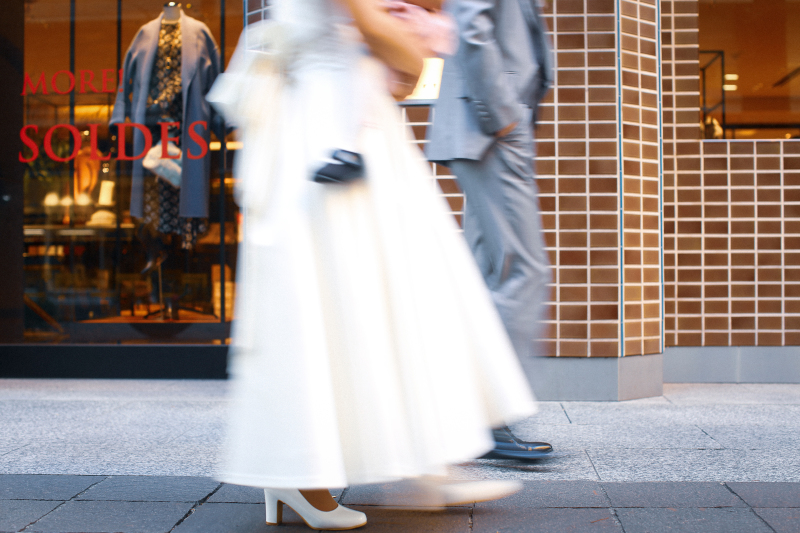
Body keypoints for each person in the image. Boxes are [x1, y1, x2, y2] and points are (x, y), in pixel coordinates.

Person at [207, 0, 538, 529]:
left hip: (329, 118)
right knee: (370, 289)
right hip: (336, 129)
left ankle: (412, 464)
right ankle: (308, 473)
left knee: (380, 288)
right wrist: (421, 37)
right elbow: (381, 35)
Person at [426, 0, 555, 461]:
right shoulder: (499, 119)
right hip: (490, 125)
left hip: (490, 127)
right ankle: (490, 418)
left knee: (488, 273)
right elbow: (471, 22)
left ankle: (466, 414)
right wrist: (503, 114)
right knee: (524, 269)